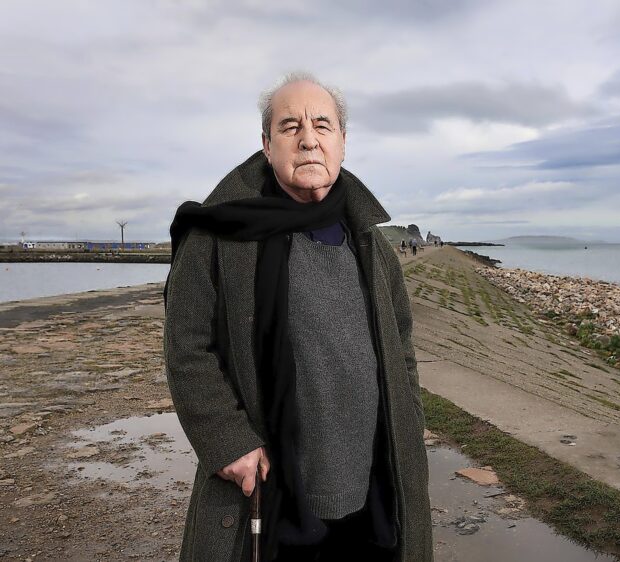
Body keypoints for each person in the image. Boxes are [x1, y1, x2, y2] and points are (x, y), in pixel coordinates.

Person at [163, 72, 432, 562]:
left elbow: (403, 349)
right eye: (290, 126)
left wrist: (409, 425)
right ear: (267, 145)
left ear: (342, 142)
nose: (308, 139)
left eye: (322, 125)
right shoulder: (217, 236)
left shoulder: (373, 245)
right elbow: (187, 346)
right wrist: (226, 441)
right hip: (272, 494)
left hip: (372, 491)